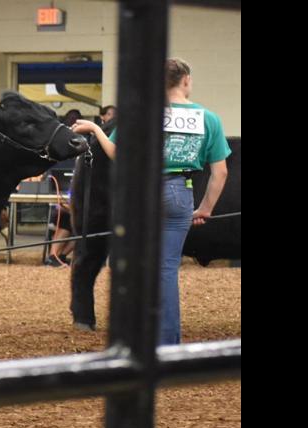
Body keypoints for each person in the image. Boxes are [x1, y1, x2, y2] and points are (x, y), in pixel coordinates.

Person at [72, 57, 228, 346]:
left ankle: (138, 337)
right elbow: (220, 172)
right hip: (180, 192)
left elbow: (118, 154)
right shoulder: (208, 118)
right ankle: (168, 342)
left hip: (142, 194)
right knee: (167, 269)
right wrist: (205, 208)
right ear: (186, 81)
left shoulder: (141, 115)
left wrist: (96, 130)